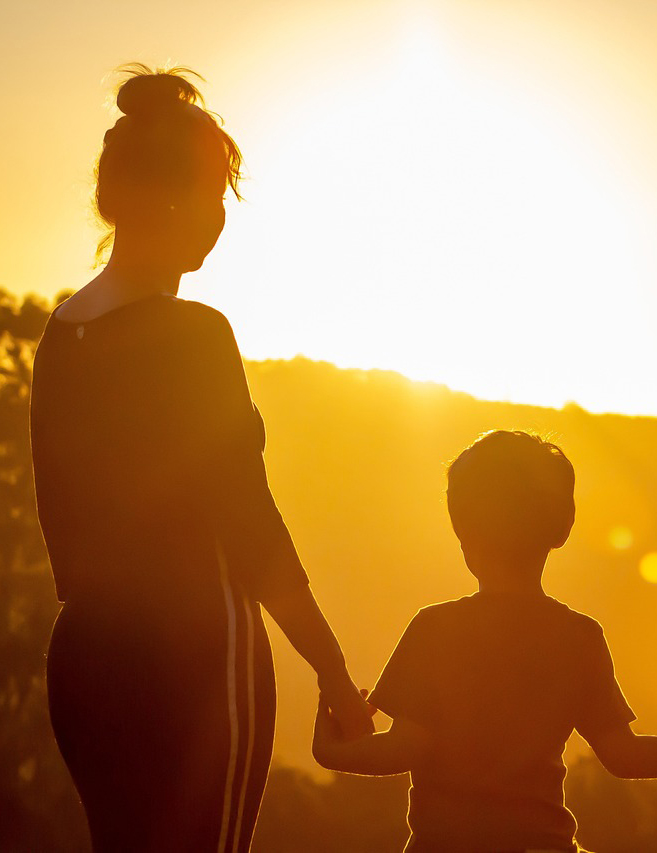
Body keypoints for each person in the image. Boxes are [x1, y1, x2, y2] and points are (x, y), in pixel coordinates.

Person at [30, 65, 373, 853]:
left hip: (83, 655)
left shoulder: (61, 337)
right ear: (180, 202)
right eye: (217, 196)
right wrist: (330, 666)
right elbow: (249, 521)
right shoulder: (193, 335)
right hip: (194, 658)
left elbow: (62, 524)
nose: (221, 218)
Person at [312, 430, 657, 852]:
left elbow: (405, 747)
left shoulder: (435, 629)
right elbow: (626, 755)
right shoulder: (579, 637)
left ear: (460, 529)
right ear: (562, 527)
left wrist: (334, 752)